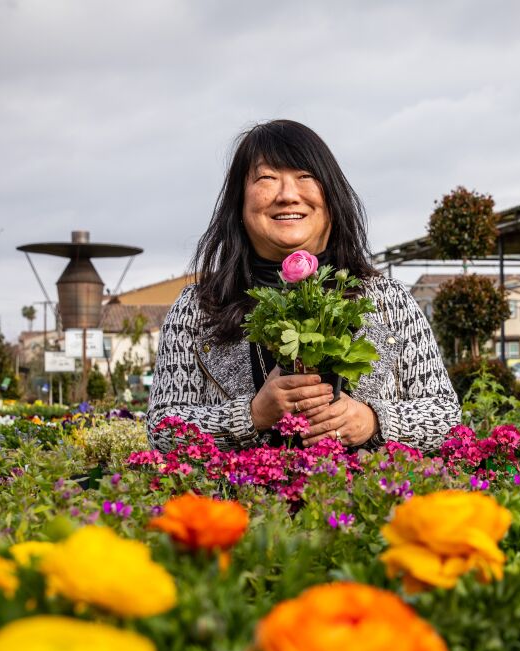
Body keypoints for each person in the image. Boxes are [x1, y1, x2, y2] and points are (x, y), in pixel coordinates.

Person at [147, 119, 459, 452]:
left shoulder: (387, 300)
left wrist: (373, 421)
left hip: (369, 501)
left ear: (331, 197)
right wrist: (251, 416)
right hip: (240, 502)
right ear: (239, 202)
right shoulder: (199, 307)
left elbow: (446, 416)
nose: (287, 195)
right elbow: (163, 429)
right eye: (267, 178)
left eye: (304, 176)